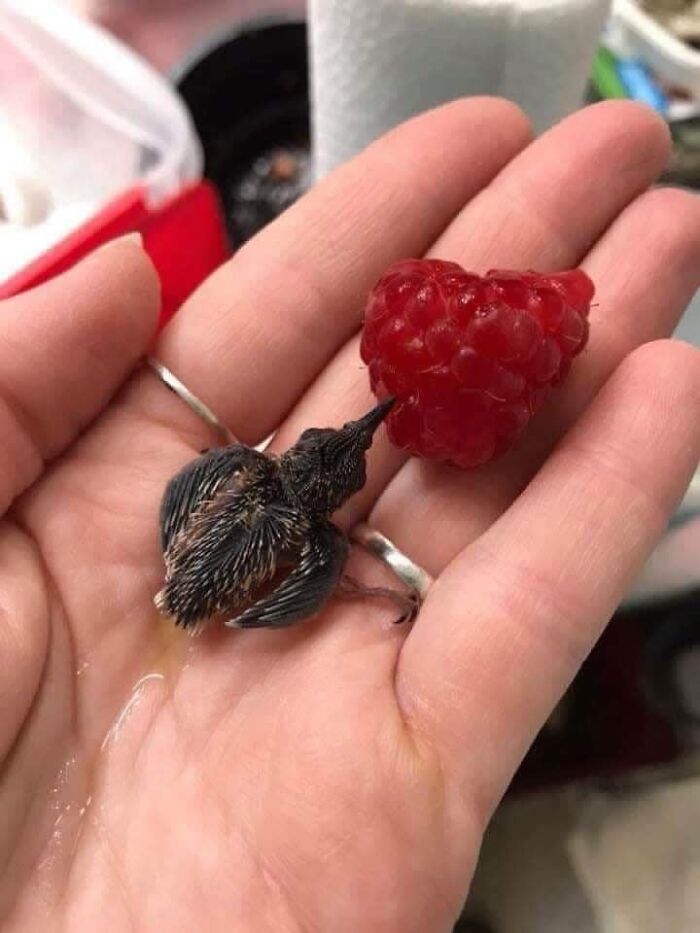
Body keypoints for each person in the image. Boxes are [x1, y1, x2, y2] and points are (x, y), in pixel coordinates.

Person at [1, 97, 699, 932]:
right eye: (347, 443)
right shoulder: (300, 532)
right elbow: (281, 560)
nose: (359, 431)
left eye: (347, 444)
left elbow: (219, 503)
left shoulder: (250, 484)